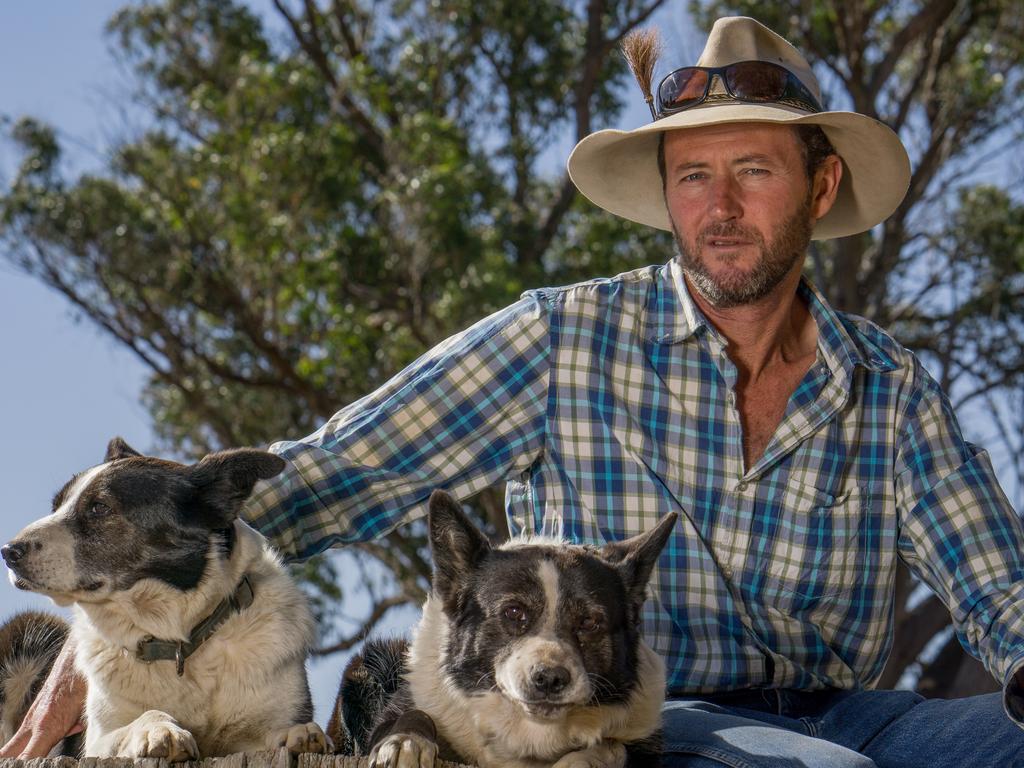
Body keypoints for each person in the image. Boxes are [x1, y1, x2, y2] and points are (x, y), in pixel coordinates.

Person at [5, 15, 1024, 768]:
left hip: (853, 714)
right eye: (690, 176)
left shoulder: (888, 390)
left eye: (751, 170)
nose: (716, 208)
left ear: (821, 187)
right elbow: (341, 472)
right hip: (625, 719)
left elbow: (997, 589)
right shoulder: (560, 337)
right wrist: (122, 633)